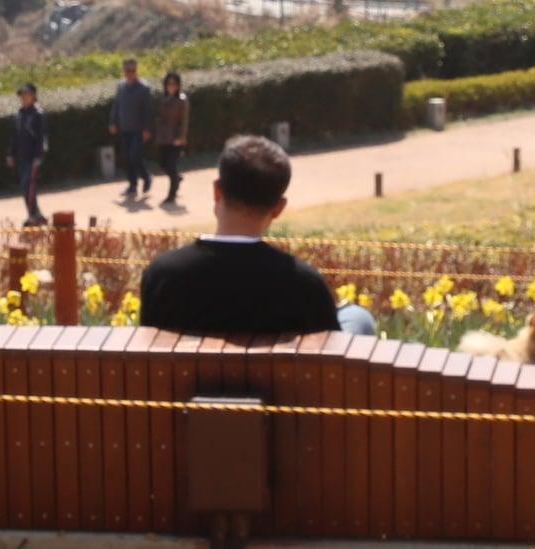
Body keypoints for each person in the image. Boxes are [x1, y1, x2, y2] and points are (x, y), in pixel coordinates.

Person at [138, 134, 377, 338]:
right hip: (277, 391)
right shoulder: (304, 285)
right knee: (357, 317)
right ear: (278, 208)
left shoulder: (163, 275)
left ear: (217, 191)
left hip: (188, 391)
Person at [108, 56, 153, 199]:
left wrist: (147, 129)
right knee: (128, 158)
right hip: (124, 128)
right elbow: (116, 106)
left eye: (133, 70)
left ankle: (146, 177)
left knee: (135, 155)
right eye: (128, 70)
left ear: (136, 70)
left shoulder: (143, 88)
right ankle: (133, 185)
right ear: (124, 71)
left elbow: (147, 110)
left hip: (138, 129)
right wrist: (113, 122)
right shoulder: (121, 86)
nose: (130, 73)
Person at [6, 82, 48, 227]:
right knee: (25, 188)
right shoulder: (19, 114)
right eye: (21, 96)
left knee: (28, 186)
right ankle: (37, 215)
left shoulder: (38, 114)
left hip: (33, 158)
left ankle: (33, 215)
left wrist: (39, 157)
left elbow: (41, 138)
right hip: (22, 157)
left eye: (26, 95)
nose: (23, 98)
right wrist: (11, 154)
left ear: (33, 96)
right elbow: (15, 136)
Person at [154, 71, 189, 205]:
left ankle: (171, 194)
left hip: (175, 138)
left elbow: (184, 121)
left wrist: (181, 137)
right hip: (164, 137)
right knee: (163, 164)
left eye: (174, 84)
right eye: (169, 84)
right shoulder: (163, 99)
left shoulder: (182, 100)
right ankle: (176, 179)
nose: (171, 86)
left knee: (171, 165)